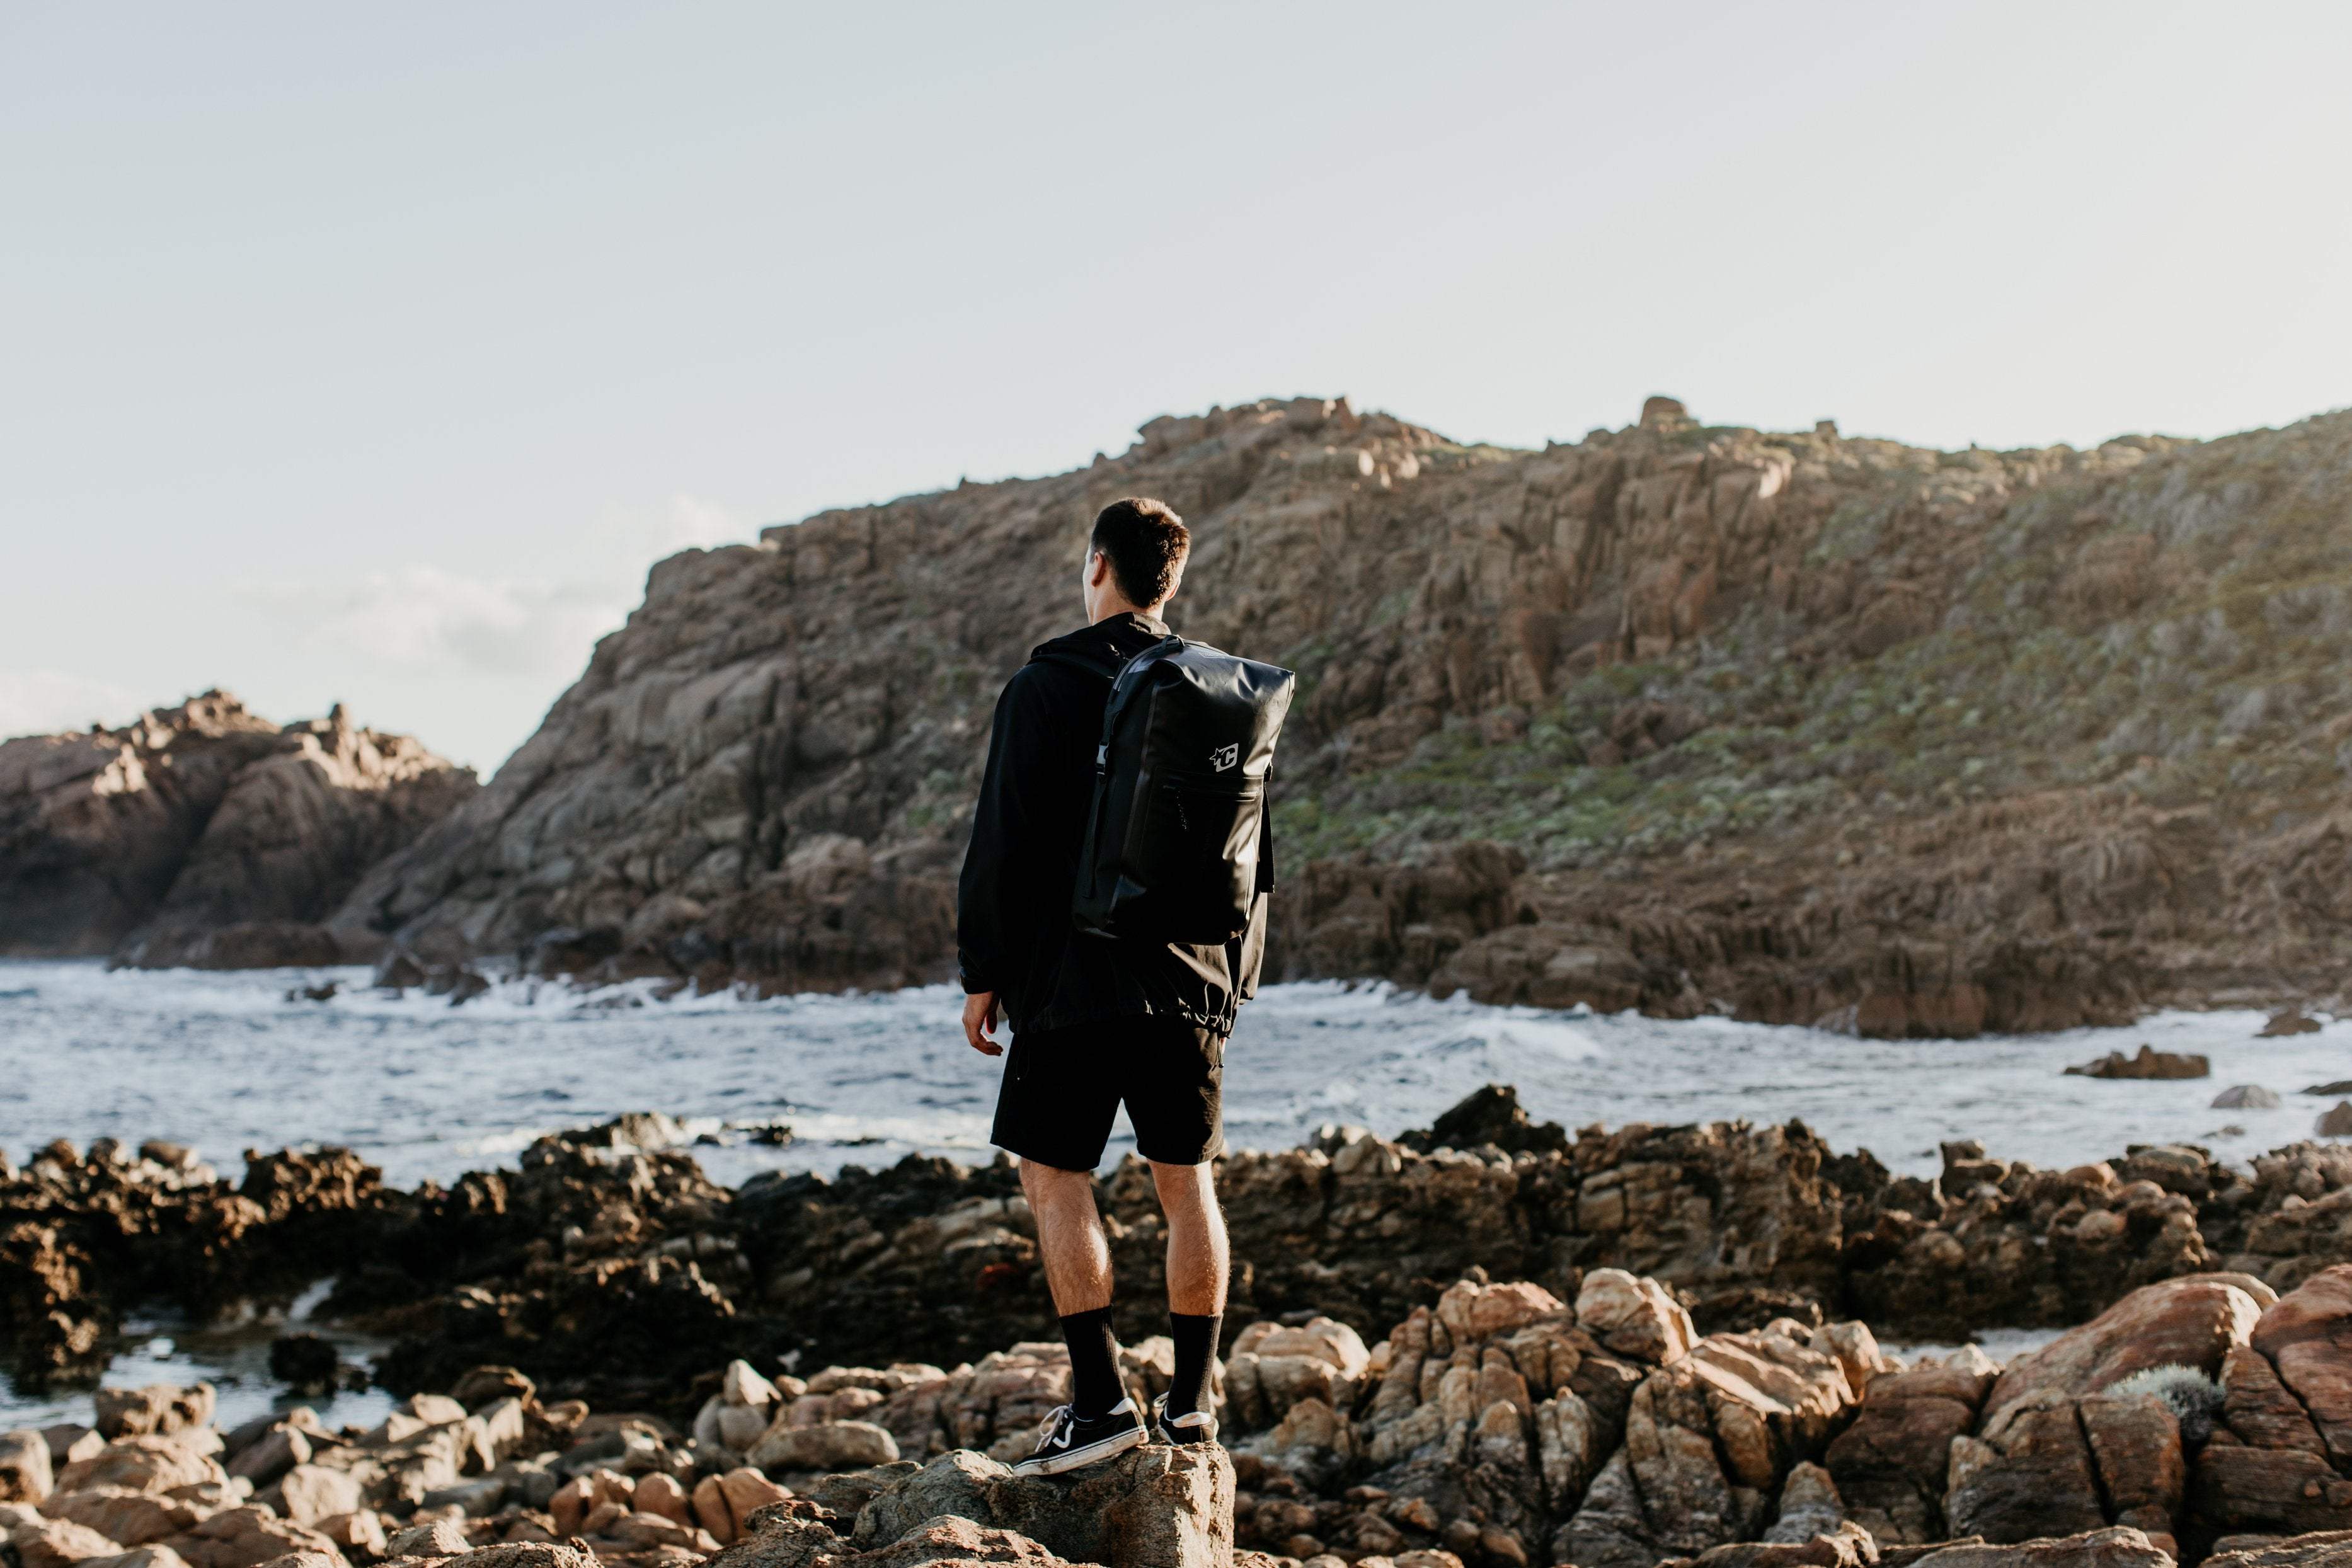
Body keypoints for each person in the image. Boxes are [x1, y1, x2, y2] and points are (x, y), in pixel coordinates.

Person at [956, 496, 1269, 1477]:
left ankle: (1097, 1404)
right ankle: (1192, 1403)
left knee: (1055, 1175)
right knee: (1187, 1184)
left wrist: (984, 973)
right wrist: (1233, 981)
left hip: (1075, 976)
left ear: (1098, 566)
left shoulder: (1043, 684)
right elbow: (1255, 852)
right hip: (1194, 976)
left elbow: (1000, 839)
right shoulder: (1217, 690)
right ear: (1168, 579)